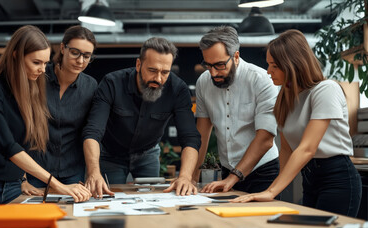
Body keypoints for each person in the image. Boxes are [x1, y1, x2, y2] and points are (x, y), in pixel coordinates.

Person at [0, 25, 91, 209]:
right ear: (16, 56)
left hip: (14, 188)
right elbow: (8, 146)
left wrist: (23, 179)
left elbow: (25, 144)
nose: (43, 70)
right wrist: (58, 185)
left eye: (45, 63)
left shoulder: (30, 90)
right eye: (36, 63)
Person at [231, 29, 362, 217]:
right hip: (309, 180)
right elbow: (286, 149)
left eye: (274, 66)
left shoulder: (326, 90)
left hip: (337, 179)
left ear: (293, 65)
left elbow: (307, 148)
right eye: (268, 65)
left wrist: (271, 191)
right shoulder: (285, 98)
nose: (268, 71)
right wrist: (276, 190)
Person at [82, 37, 201, 197]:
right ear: (138, 65)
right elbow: (92, 132)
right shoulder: (112, 83)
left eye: (165, 72)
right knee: (105, 199)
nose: (158, 79)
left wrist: (185, 177)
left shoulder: (178, 90)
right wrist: (94, 172)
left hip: (148, 154)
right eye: (152, 70)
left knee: (150, 202)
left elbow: (190, 138)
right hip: (110, 155)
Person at [194, 26, 280, 194]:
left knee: (258, 220)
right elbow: (201, 136)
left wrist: (233, 177)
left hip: (263, 172)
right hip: (227, 171)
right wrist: (190, 177)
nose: (213, 73)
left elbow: (265, 139)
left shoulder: (261, 80)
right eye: (208, 65)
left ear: (236, 57)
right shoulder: (203, 83)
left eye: (219, 65)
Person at [21, 26, 98, 195]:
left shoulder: (91, 86)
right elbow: (20, 128)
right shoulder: (38, 77)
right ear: (63, 48)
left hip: (72, 172)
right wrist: (22, 178)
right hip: (35, 171)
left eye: (86, 56)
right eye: (75, 52)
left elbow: (90, 130)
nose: (80, 60)